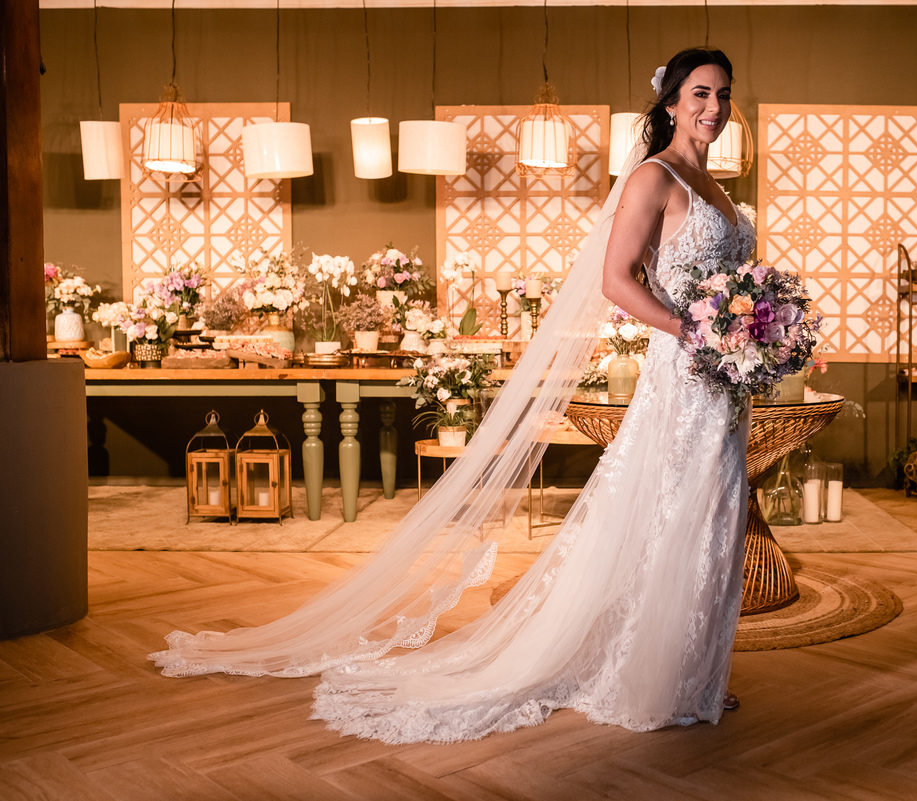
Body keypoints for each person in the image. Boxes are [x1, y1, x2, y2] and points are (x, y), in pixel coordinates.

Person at [151, 47, 757, 745]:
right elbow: (617, 281)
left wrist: (755, 331)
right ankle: (649, 676)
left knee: (713, 515)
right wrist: (690, 328)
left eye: (723, 95)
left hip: (725, 381)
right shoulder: (655, 178)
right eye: (701, 94)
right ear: (672, 103)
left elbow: (732, 287)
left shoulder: (716, 187)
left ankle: (693, 675)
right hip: (682, 374)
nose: (714, 107)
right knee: (667, 514)